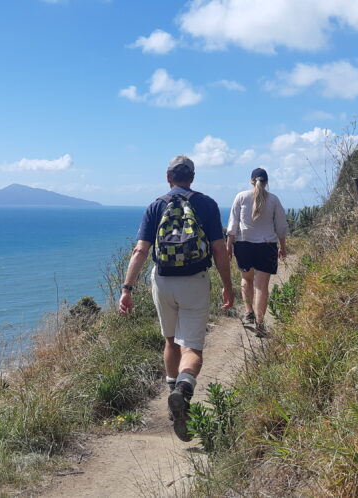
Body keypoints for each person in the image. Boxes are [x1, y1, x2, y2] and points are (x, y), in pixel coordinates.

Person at [118, 155, 234, 442]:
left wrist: (127, 288)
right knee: (192, 348)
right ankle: (183, 391)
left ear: (167, 178)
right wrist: (228, 286)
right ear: (192, 178)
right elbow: (220, 250)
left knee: (170, 341)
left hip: (163, 281)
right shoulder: (206, 204)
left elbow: (141, 251)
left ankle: (173, 397)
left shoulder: (156, 205)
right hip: (195, 281)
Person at [227, 167, 288, 337]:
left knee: (246, 279)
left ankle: (248, 313)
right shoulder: (274, 200)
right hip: (267, 246)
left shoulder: (241, 197)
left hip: (244, 245)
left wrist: (228, 246)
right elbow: (281, 226)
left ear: (251, 181)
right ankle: (260, 324)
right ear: (266, 182)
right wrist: (282, 247)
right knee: (262, 287)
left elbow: (232, 225)